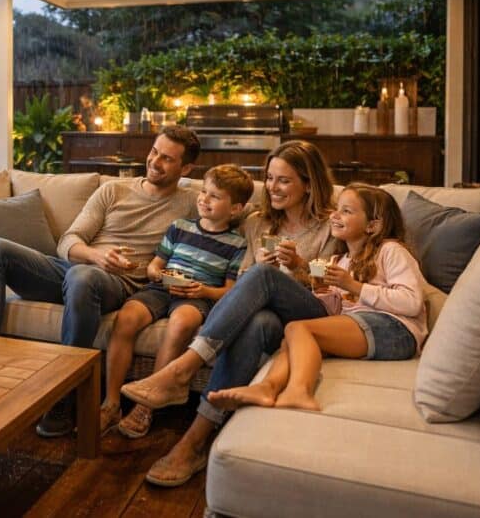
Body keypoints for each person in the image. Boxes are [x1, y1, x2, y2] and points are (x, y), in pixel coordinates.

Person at [119, 139, 338, 486]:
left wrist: (297, 267)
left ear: (308, 184)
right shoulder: (257, 223)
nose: (272, 187)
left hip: (310, 317)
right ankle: (193, 443)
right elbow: (238, 280)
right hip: (269, 319)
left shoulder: (331, 226)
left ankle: (183, 368)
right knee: (257, 321)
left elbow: (331, 288)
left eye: (284, 180)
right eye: (269, 178)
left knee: (262, 275)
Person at [0, 125, 202, 437]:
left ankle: (63, 397)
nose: (155, 162)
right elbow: (69, 241)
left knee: (83, 277)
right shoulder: (113, 191)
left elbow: (239, 210)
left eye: (167, 159)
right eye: (154, 152)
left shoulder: (190, 203)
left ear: (186, 168)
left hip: (119, 285)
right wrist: (96, 256)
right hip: (78, 269)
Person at [211, 184, 427, 412]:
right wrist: (298, 269)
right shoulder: (339, 261)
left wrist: (353, 285)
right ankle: (268, 387)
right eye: (337, 209)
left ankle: (299, 391)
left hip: (396, 330)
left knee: (298, 329)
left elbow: (412, 302)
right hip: (362, 327)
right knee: (292, 340)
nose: (334, 215)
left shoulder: (390, 250)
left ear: (373, 225)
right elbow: (330, 302)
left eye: (347, 211)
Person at [100, 165, 253, 439]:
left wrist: (203, 291)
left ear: (235, 209)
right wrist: (160, 274)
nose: (204, 199)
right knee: (127, 318)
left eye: (215, 196)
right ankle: (111, 402)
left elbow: (230, 291)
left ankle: (145, 405)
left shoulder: (237, 244)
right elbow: (153, 266)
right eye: (204, 192)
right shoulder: (180, 227)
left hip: (197, 297)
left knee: (183, 321)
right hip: (161, 288)